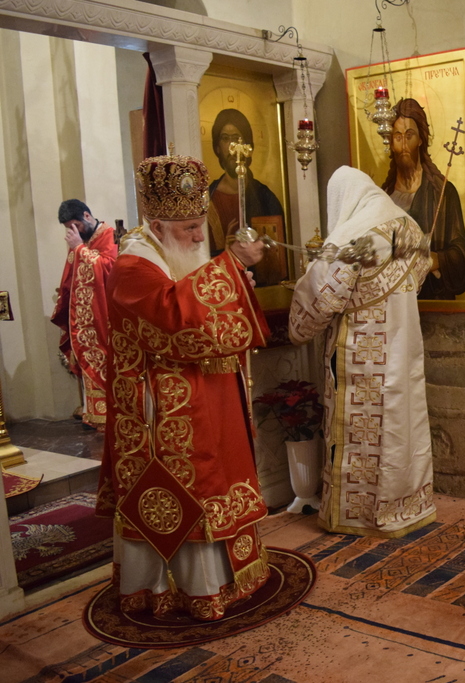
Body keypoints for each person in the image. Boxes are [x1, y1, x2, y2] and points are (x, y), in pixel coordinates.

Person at [95, 154, 272, 621]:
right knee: (193, 489)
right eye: (190, 228)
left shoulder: (168, 254)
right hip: (161, 417)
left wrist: (234, 283)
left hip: (200, 400)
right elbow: (175, 319)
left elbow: (196, 299)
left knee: (220, 479)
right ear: (157, 225)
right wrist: (231, 266)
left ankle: (225, 578)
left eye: (200, 225)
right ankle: (181, 589)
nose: (199, 237)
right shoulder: (133, 266)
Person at [289, 165, 436, 538]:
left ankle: (360, 514)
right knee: (403, 428)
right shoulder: (410, 228)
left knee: (367, 435)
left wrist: (298, 313)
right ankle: (406, 505)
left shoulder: (353, 239)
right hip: (403, 347)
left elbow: (319, 302)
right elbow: (418, 278)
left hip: (364, 358)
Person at [382, 98, 465, 300]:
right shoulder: (383, 196)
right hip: (393, 301)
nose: (403, 144)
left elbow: (462, 258)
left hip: (433, 300)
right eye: (397, 136)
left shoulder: (443, 193)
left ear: (421, 139)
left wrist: (435, 260)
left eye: (409, 135)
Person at [50, 199, 117, 430]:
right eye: (69, 228)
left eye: (75, 225)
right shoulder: (83, 241)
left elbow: (109, 268)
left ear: (87, 216)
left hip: (105, 316)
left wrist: (79, 249)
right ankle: (94, 414)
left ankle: (111, 414)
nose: (73, 231)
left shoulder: (109, 235)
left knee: (105, 362)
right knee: (88, 359)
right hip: (86, 318)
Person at [207, 108, 287, 285]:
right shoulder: (207, 199)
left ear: (248, 147)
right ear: (217, 147)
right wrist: (227, 252)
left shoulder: (265, 197)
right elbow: (198, 254)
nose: (233, 146)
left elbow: (278, 256)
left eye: (237, 137)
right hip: (222, 287)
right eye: (225, 138)